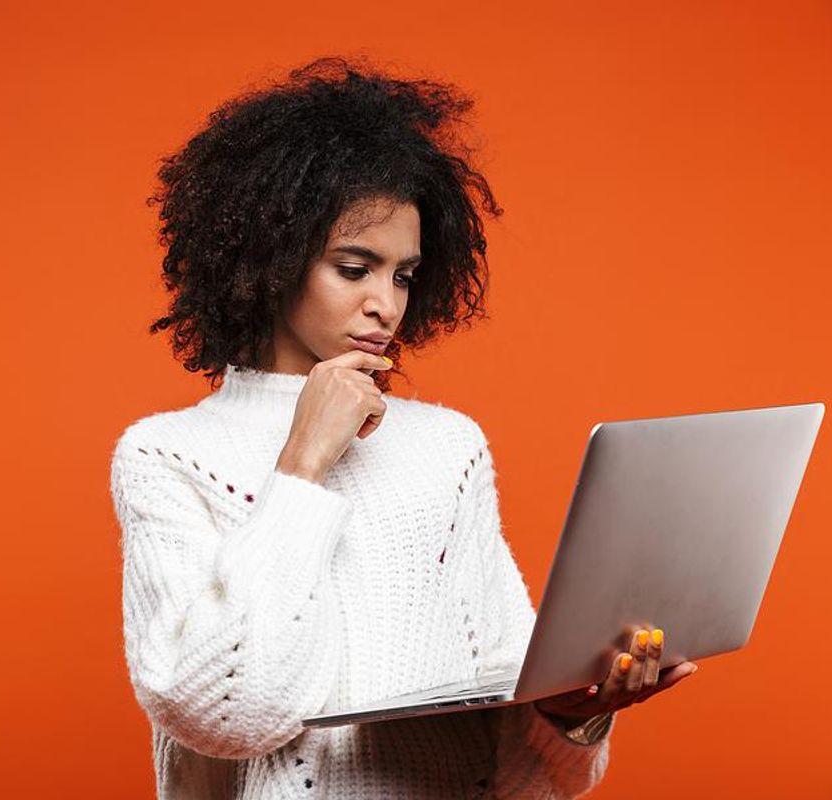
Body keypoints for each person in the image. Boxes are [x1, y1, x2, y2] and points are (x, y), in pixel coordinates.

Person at [109, 55, 696, 799]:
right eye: (354, 269)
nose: (386, 304)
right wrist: (303, 461)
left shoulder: (449, 449)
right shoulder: (168, 455)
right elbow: (229, 714)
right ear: (269, 264)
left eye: (404, 275)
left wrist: (571, 711)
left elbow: (512, 736)